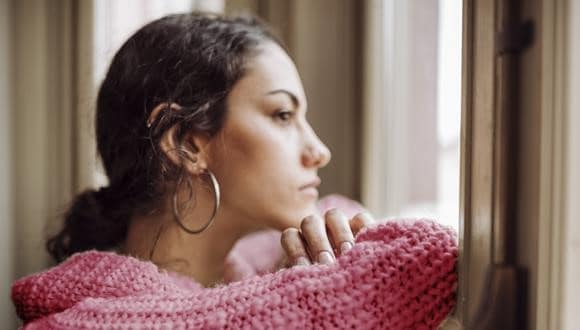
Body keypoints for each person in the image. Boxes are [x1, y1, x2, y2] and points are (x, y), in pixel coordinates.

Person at [11, 13, 457, 329]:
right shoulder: (84, 316)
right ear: (187, 143)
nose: (319, 150)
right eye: (282, 115)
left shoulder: (273, 267)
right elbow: (425, 256)